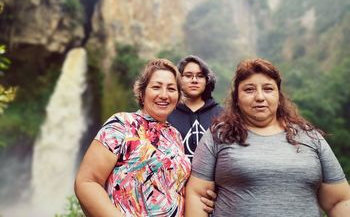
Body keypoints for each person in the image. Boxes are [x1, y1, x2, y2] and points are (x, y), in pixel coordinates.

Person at [185, 58, 350, 217]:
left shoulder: (309, 136)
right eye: (249, 89)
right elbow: (197, 195)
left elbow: (339, 200)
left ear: (279, 97)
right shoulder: (218, 135)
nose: (259, 97)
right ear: (236, 99)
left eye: (268, 89)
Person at [74, 58, 214, 216]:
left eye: (171, 89)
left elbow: (175, 188)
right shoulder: (122, 124)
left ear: (178, 96)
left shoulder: (174, 135)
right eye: (156, 87)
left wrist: (206, 198)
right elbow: (87, 182)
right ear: (142, 92)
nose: (164, 95)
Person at [168, 55, 222, 161]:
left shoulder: (222, 114)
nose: (194, 80)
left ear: (207, 80)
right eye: (188, 76)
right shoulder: (167, 113)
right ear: (178, 79)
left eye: (200, 76)